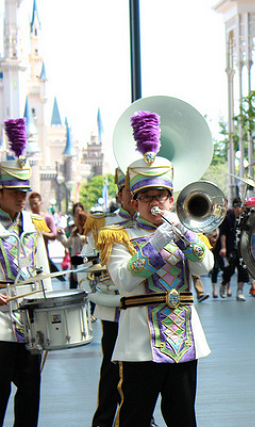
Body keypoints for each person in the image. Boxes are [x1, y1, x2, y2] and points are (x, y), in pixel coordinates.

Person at [97, 110, 213, 427]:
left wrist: (185, 235)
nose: (154, 203)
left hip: (184, 340)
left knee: (183, 419)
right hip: (139, 344)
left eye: (160, 195)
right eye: (146, 197)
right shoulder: (118, 235)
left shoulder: (185, 228)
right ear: (134, 202)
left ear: (170, 197)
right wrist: (156, 243)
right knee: (134, 417)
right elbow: (123, 280)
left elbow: (204, 267)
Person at [0, 117, 53, 426]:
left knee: (31, 392)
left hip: (30, 323)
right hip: (1, 324)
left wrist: (48, 315)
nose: (21, 198)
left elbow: (43, 271)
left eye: (24, 192)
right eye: (14, 192)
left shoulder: (34, 223)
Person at [81, 167, 136, 427]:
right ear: (120, 193)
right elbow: (87, 267)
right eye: (131, 190)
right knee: (111, 371)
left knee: (144, 374)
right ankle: (103, 421)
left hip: (147, 310)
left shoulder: (160, 225)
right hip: (115, 309)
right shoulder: (102, 224)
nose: (137, 195)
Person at [219, 198, 248, 300]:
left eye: (240, 206)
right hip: (231, 248)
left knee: (242, 269)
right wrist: (223, 248)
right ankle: (223, 283)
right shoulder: (228, 218)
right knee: (230, 269)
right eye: (236, 206)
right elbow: (223, 234)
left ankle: (240, 291)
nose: (238, 208)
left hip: (242, 249)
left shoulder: (245, 219)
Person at [28, 192, 63, 273]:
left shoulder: (47, 218)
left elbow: (53, 235)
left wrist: (39, 233)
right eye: (31, 204)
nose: (33, 206)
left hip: (43, 254)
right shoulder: (27, 218)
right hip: (30, 255)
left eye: (36, 203)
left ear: (41, 203)